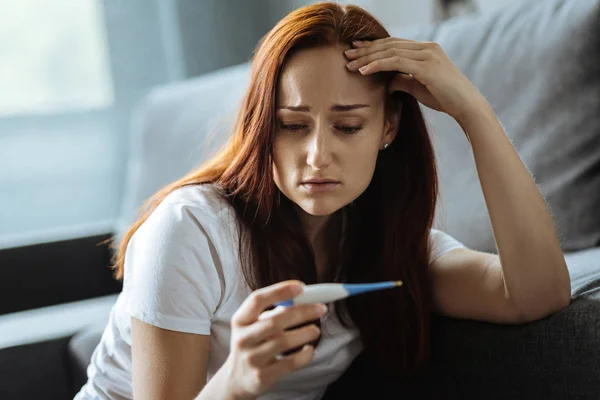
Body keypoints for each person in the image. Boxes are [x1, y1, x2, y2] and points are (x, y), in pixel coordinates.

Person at [74, 2, 571, 399]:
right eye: (292, 126)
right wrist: (235, 382)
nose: (317, 156)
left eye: (348, 126)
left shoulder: (391, 249)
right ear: (263, 129)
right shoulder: (189, 230)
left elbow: (535, 295)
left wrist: (473, 111)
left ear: (387, 128)